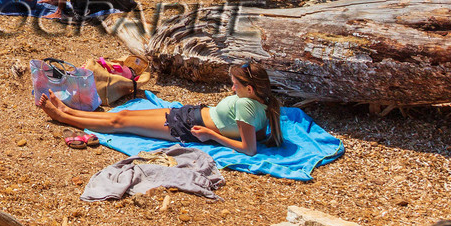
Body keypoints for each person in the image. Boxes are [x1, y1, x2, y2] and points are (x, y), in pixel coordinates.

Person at [37, 63, 284, 155]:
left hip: (187, 127)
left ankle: (64, 116)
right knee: (123, 115)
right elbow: (254, 133)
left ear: (250, 89)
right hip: (190, 114)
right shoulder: (264, 103)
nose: (231, 88)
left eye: (236, 84)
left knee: (119, 123)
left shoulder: (246, 105)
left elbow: (249, 149)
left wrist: (212, 135)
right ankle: (69, 111)